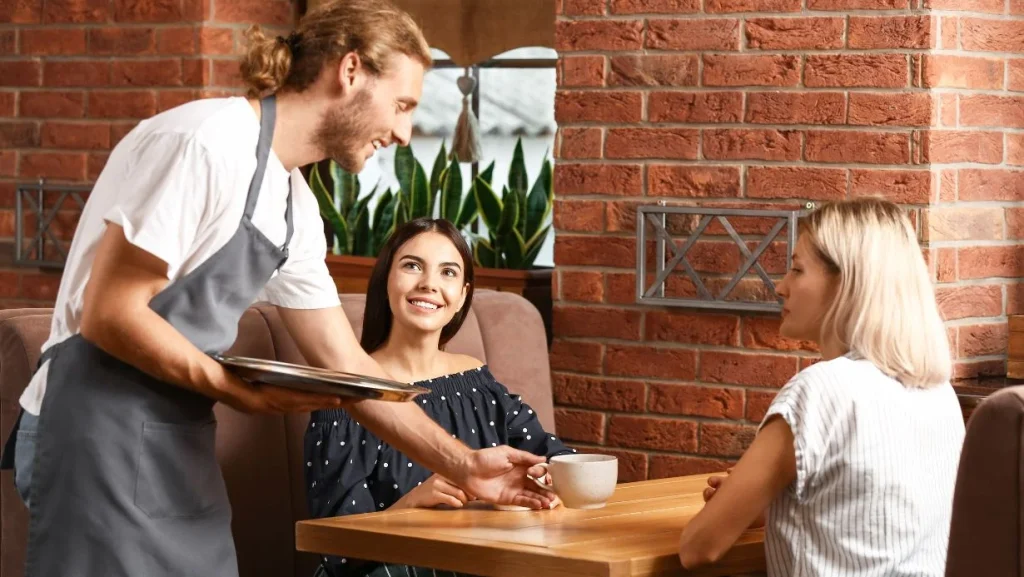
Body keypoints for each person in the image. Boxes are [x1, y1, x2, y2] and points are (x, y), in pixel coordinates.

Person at [0, 2, 554, 576]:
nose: (404, 132)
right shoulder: (206, 142)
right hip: (93, 428)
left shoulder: (294, 203)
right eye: (402, 104)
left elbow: (343, 363)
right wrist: (235, 390)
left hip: (178, 435)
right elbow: (109, 312)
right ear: (350, 71)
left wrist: (465, 465)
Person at [677, 198, 965, 576]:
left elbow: (699, 548)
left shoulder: (822, 390)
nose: (781, 287)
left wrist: (733, 508)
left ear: (847, 282)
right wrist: (776, 506)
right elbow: (884, 523)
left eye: (797, 270)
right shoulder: (938, 392)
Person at [305, 218, 574, 577]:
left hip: (488, 562)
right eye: (412, 266)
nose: (429, 284)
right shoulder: (345, 398)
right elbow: (335, 549)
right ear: (387, 279)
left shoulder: (478, 382)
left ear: (463, 294)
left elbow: (553, 456)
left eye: (448, 272)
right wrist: (410, 506)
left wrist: (546, 477)